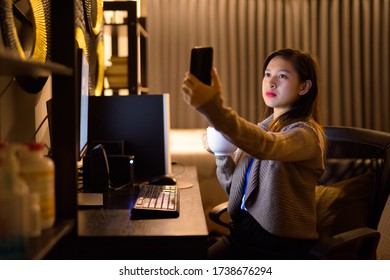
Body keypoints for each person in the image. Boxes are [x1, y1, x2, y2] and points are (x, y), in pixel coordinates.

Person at [181, 48, 326, 259]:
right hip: (241, 235)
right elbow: (234, 189)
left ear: (304, 87)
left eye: (282, 76)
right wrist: (221, 152)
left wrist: (213, 107)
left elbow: (267, 147)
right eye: (267, 74)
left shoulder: (306, 135)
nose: (271, 82)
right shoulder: (262, 130)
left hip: (278, 247)